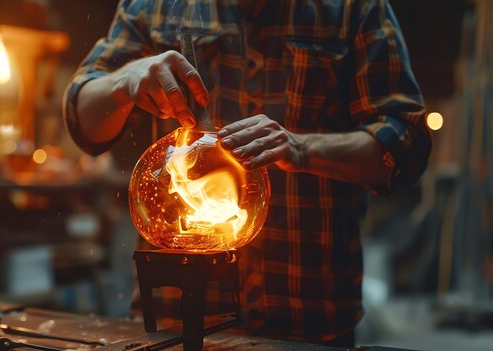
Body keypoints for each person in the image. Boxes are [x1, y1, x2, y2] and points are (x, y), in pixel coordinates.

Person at [63, 0, 431, 347]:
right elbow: (83, 120)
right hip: (174, 327)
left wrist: (301, 148)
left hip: (307, 324)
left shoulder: (353, 8)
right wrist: (125, 79)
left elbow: (407, 146)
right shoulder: (154, 6)